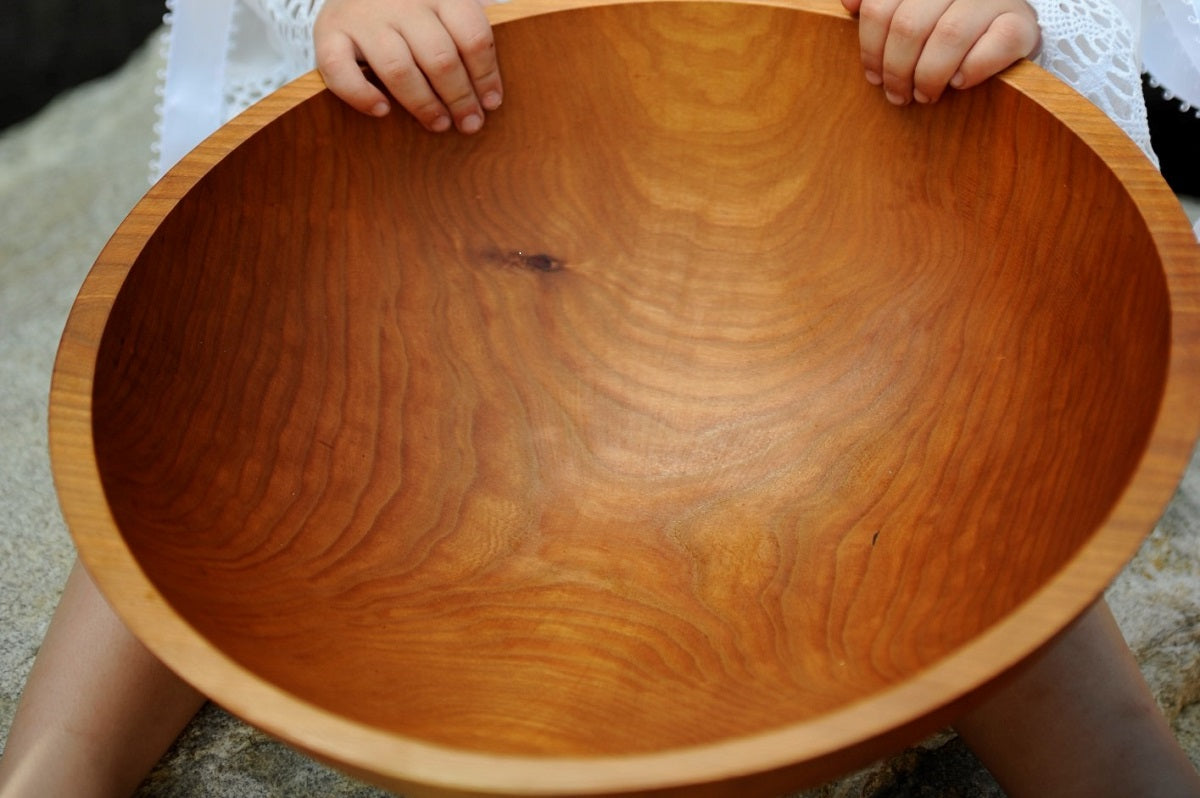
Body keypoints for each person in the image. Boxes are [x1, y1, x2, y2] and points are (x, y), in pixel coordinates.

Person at [2, 0, 1199, 796]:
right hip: (447, 176)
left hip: (821, 187)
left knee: (968, 508)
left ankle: (1125, 768)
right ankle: (56, 769)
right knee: (210, 451)